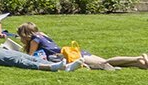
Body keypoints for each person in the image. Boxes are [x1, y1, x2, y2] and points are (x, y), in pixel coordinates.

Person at [16, 22, 148, 70]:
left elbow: (31, 57)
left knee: (104, 62)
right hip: (74, 52)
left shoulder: (34, 40)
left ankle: (138, 57)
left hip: (72, 56)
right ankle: (140, 63)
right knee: (108, 64)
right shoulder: (42, 34)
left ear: (25, 34)